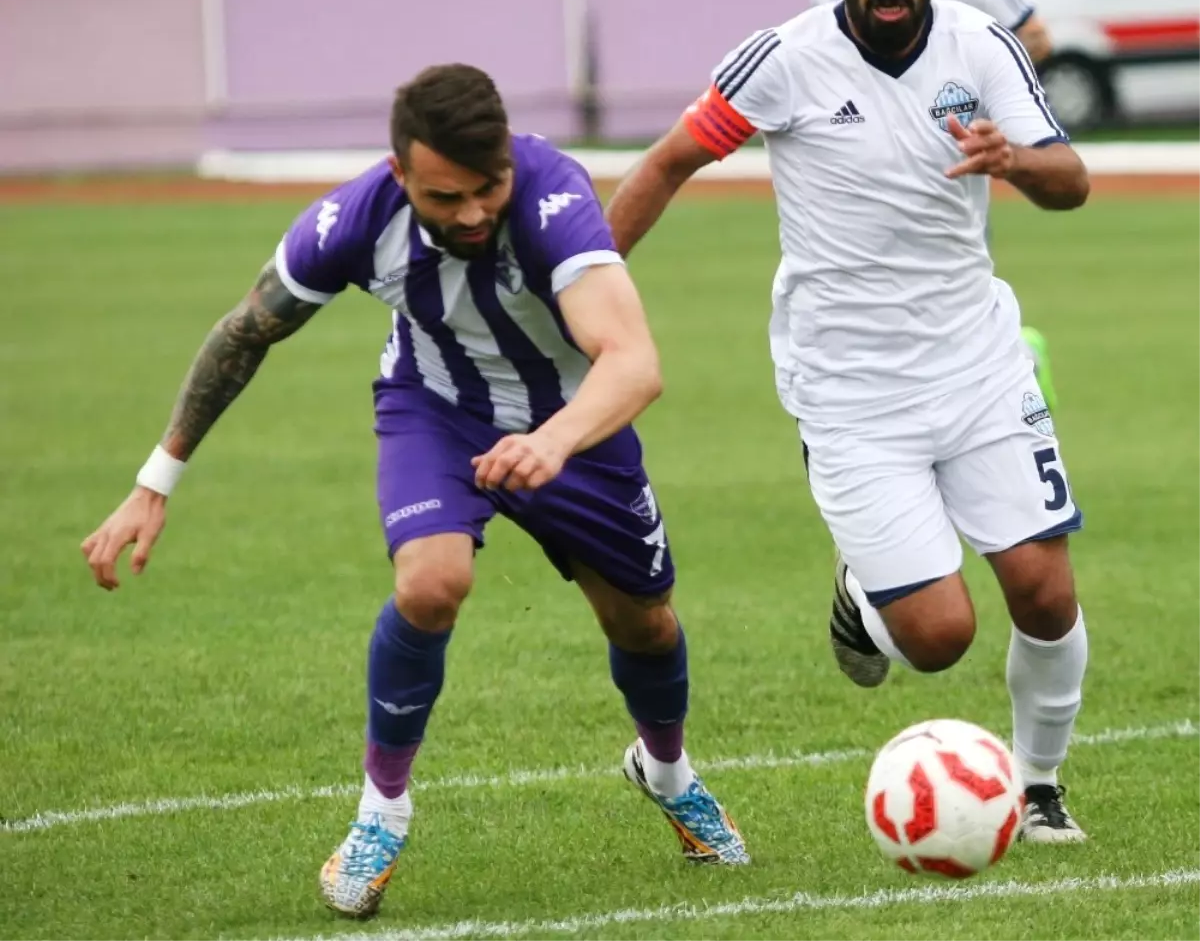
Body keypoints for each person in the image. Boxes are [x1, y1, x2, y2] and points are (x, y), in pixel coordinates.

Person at [80, 64, 748, 921]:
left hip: (571, 420)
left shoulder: (553, 200)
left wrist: (550, 442)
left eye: (487, 187)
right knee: (431, 583)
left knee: (645, 623)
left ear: (509, 160)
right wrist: (154, 480)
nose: (471, 212)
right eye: (445, 196)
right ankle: (381, 811)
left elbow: (634, 362)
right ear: (400, 175)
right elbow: (246, 330)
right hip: (436, 410)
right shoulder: (353, 221)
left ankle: (667, 773)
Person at [605, 0, 1090, 844]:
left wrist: (1015, 160)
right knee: (939, 638)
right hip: (851, 389)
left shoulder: (980, 46)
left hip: (980, 364)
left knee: (1044, 590)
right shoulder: (782, 60)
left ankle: (1037, 787)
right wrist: (588, 293)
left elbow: (1070, 180)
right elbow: (668, 162)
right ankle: (866, 587)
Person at [805, 0, 1061, 410]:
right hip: (864, 149)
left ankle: (1014, 370)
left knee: (954, 286)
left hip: (948, 143)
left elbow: (1036, 37)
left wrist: (990, 108)